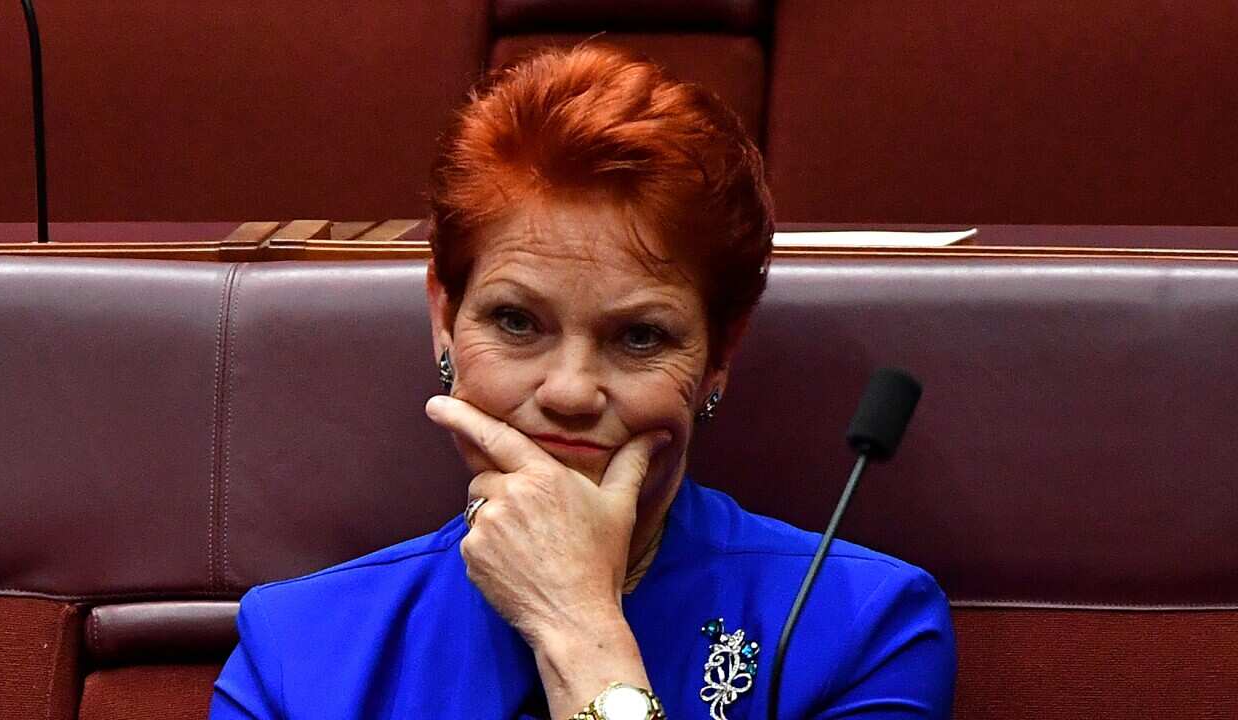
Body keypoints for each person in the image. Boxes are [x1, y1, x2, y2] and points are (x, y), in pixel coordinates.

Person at [210, 43, 955, 720]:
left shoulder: (863, 629)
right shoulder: (295, 651)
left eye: (639, 336)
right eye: (515, 322)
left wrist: (580, 631)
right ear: (445, 318)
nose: (570, 390)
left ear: (719, 356)